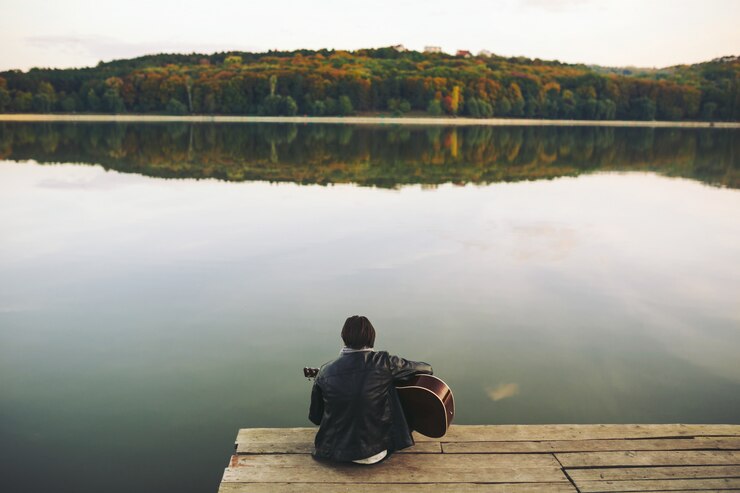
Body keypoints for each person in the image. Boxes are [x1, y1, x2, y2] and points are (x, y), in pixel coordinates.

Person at [308, 315, 433, 464]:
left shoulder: (325, 372)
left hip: (335, 454)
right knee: (390, 385)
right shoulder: (385, 362)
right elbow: (427, 369)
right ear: (371, 336)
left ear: (344, 338)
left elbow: (315, 418)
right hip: (377, 452)